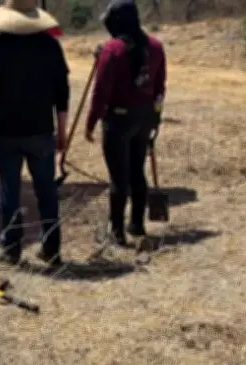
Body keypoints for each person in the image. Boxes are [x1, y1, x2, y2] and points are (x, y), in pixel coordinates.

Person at [0, 0, 70, 265]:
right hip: (41, 131)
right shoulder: (50, 46)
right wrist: (62, 130)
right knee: (46, 191)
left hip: (7, 133)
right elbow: (62, 92)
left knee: (9, 191)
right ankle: (52, 248)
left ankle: (11, 249)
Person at [84, 0, 167, 246]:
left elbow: (101, 93)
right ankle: (137, 224)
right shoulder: (156, 47)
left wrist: (91, 122)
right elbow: (160, 87)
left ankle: (117, 231)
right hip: (143, 118)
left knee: (119, 178)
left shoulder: (112, 50)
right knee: (136, 172)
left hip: (118, 121)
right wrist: (155, 117)